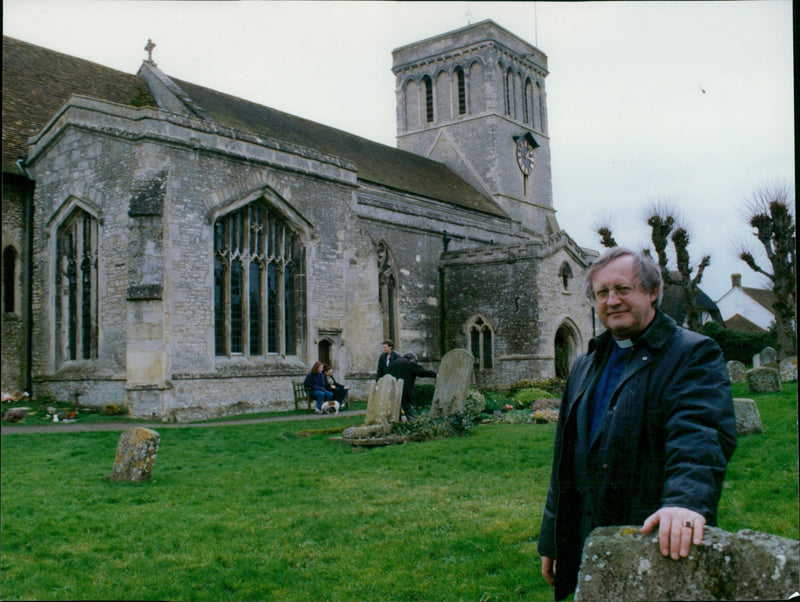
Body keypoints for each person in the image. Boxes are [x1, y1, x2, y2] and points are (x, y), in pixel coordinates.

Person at [538, 247, 737, 600]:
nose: (611, 300)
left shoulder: (692, 354)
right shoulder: (585, 363)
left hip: (658, 534)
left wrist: (685, 502)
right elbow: (564, 463)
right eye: (602, 293)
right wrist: (554, 538)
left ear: (652, 291)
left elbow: (700, 433)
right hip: (589, 537)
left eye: (623, 289)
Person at [386, 352, 436, 420]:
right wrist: (435, 375)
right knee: (407, 408)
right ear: (412, 359)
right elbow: (421, 372)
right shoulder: (409, 363)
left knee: (395, 408)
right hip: (405, 389)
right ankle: (411, 422)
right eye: (415, 361)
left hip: (393, 389)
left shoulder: (393, 363)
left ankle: (397, 422)